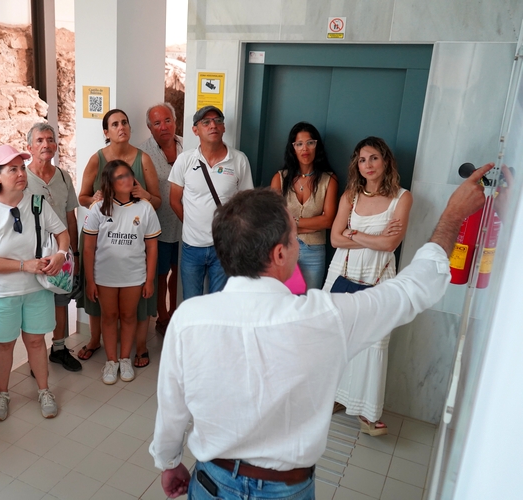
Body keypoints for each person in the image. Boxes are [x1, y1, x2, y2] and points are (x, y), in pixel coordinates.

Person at [150, 163, 490, 500]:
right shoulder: (325, 318)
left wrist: (169, 462)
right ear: (279, 253)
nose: (298, 244)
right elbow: (414, 289)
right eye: (294, 237)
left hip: (210, 483)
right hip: (286, 491)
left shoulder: (188, 319)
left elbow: (171, 406)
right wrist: (452, 216)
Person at [0, 145, 69, 421]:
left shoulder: (37, 203)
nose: (20, 173)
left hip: (37, 288)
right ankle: (2, 394)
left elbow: (62, 233)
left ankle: (44, 390)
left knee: (36, 342)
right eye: (12, 169)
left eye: (22, 168)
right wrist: (24, 265)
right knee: (4, 345)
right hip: (0, 293)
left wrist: (60, 254)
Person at [324, 137, 413, 435]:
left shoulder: (402, 197)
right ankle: (335, 396)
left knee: (374, 342)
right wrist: (370, 238)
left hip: (378, 276)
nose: (368, 165)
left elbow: (390, 244)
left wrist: (353, 233)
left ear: (385, 160)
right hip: (342, 272)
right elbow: (335, 239)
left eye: (374, 157)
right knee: (338, 338)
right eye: (362, 160)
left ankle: (367, 412)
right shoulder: (350, 195)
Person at [77, 108, 161, 368]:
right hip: (100, 235)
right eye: (114, 124)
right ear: (106, 131)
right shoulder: (97, 159)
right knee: (98, 296)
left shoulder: (143, 159)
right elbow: (82, 197)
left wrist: (145, 196)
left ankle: (139, 346)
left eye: (124, 122)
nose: (121, 127)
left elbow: (157, 201)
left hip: (133, 236)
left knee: (135, 299)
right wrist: (94, 201)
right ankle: (95, 340)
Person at [83, 160, 161, 384]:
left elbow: (152, 247)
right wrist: (90, 281)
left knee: (128, 316)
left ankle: (125, 359)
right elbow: (88, 248)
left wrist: (149, 280)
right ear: (110, 182)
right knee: (109, 317)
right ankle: (111, 361)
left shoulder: (145, 207)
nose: (127, 179)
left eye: (128, 174)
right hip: (105, 275)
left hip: (134, 275)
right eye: (120, 177)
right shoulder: (98, 208)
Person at [168, 105, 254, 300]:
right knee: (191, 302)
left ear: (224, 127)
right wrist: (191, 224)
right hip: (192, 247)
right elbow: (174, 200)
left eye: (217, 121)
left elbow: (246, 204)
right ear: (195, 130)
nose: (213, 125)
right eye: (206, 122)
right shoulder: (185, 160)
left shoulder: (239, 160)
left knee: (219, 303)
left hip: (224, 246)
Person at [25, 122, 82, 373]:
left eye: (50, 140)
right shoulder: (22, 179)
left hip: (61, 252)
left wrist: (74, 253)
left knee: (61, 301)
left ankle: (58, 348)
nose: (46, 144)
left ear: (56, 146)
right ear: (29, 147)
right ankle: (35, 356)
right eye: (39, 140)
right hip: (33, 254)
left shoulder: (63, 177)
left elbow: (71, 217)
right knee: (35, 305)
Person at [270, 122, 338, 290]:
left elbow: (328, 221)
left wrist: (293, 222)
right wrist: (312, 225)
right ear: (293, 148)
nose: (304, 148)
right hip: (283, 248)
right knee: (283, 298)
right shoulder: (279, 178)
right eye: (299, 144)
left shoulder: (329, 180)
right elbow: (275, 219)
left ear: (316, 146)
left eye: (310, 143)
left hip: (314, 251)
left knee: (311, 300)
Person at [140, 103, 183, 335]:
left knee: (180, 271)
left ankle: (176, 313)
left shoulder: (189, 146)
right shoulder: (143, 153)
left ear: (175, 122)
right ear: (150, 127)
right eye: (157, 123)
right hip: (159, 223)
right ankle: (162, 316)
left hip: (185, 222)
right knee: (160, 273)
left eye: (167, 120)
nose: (164, 126)